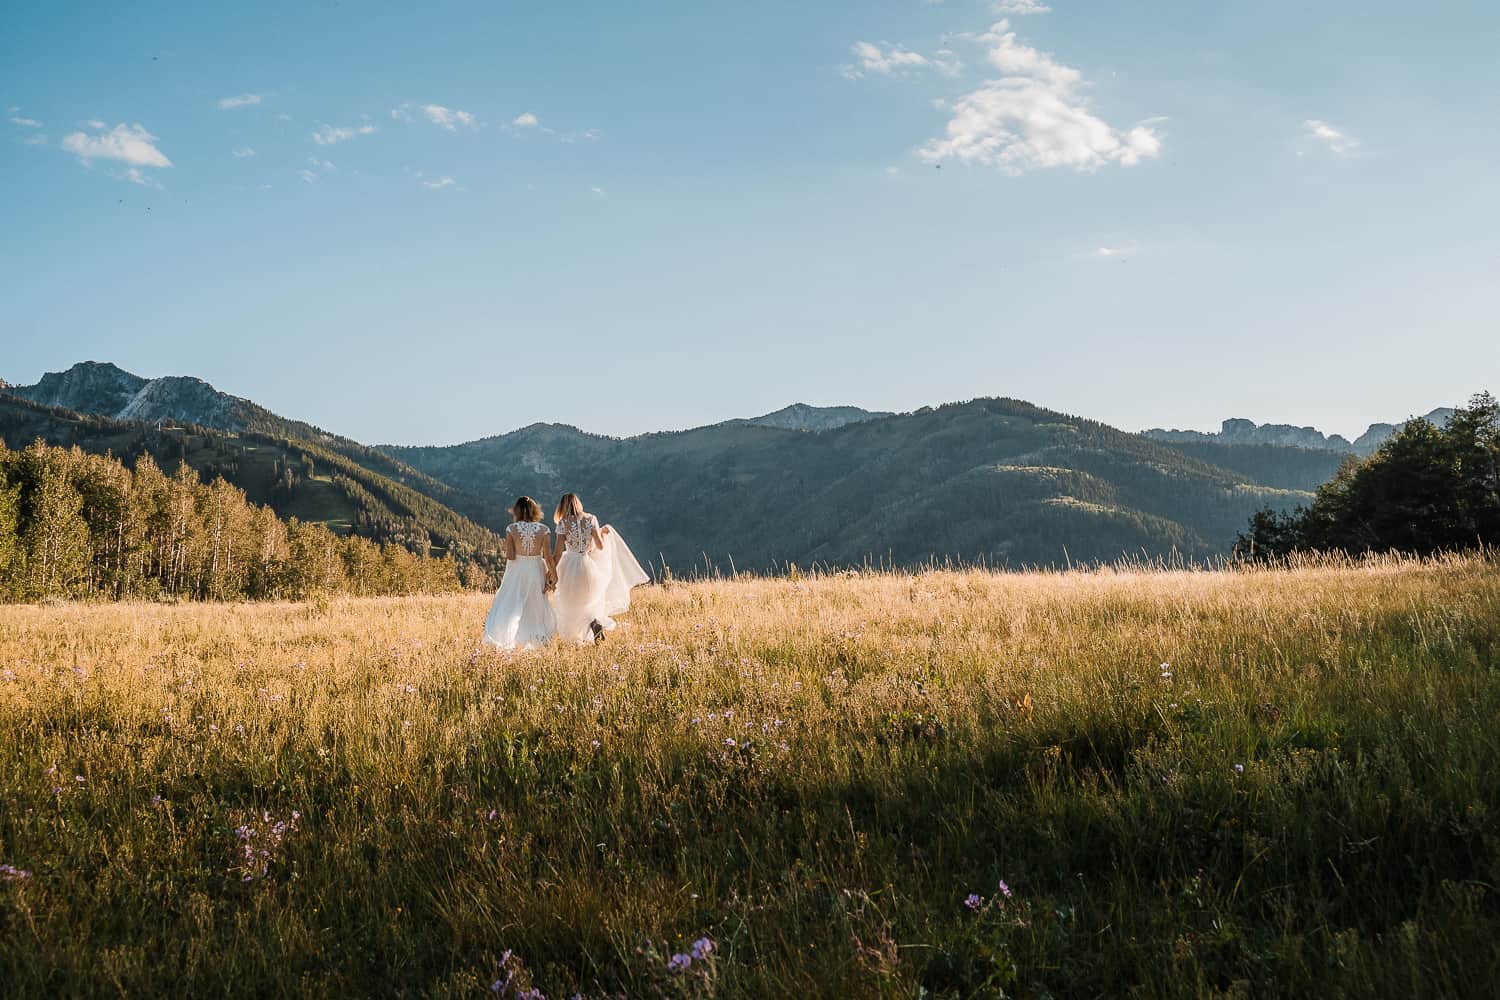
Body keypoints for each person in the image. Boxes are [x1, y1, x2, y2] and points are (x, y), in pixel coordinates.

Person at [550, 492, 650, 643]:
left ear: (562, 506)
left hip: (569, 565)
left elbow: (557, 553)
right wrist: (602, 533)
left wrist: (550, 571)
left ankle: (576, 637)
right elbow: (600, 546)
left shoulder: (563, 523)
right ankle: (593, 622)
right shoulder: (591, 519)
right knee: (588, 600)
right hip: (586, 564)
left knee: (570, 602)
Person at [481, 496, 558, 649]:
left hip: (517, 570)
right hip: (536, 567)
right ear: (535, 511)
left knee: (513, 602)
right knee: (535, 602)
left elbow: (510, 556)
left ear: (516, 511)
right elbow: (548, 557)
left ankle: (513, 638)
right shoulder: (544, 530)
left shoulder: (511, 529)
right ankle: (536, 638)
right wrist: (554, 575)